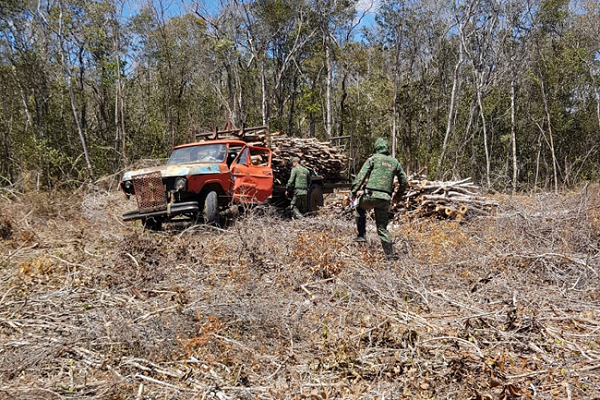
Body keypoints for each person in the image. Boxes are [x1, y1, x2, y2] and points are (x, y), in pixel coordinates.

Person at [350, 137, 408, 260]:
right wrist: (397, 196)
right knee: (382, 228)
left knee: (359, 207)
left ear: (376, 147)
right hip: (385, 199)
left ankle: (361, 235)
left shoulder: (373, 159)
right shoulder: (394, 162)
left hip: (370, 196)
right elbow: (404, 182)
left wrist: (353, 193)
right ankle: (390, 256)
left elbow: (360, 177)